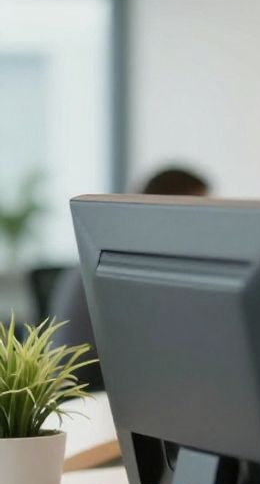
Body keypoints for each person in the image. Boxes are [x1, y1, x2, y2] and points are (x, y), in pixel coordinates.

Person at [48, 166, 211, 390]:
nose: (203, 224)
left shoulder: (118, 249)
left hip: (91, 382)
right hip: (89, 389)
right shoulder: (136, 263)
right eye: (199, 211)